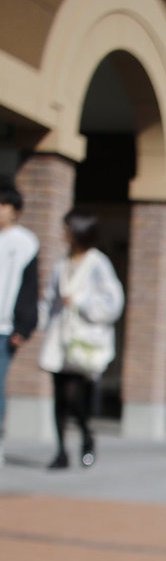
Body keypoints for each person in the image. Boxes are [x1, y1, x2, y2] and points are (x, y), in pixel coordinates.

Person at [39, 209, 124, 469]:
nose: (64, 233)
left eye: (67, 229)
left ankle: (87, 435)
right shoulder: (61, 263)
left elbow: (113, 302)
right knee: (59, 397)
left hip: (84, 340)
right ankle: (61, 451)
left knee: (75, 397)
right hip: (60, 337)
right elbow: (48, 299)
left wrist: (81, 302)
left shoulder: (98, 263)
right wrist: (39, 323)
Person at [0, 179, 39, 465]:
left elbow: (29, 288)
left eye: (3, 205)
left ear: (15, 210)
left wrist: (24, 327)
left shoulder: (25, 243)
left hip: (4, 328)